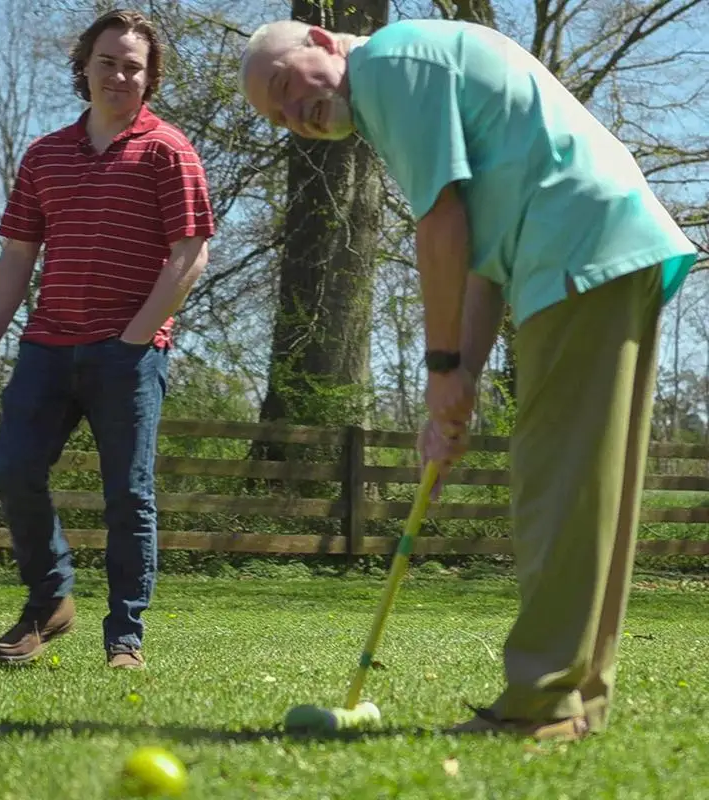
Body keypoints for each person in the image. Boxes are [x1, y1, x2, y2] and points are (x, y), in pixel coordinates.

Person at [238, 19, 697, 739]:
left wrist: (440, 367)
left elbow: (441, 225)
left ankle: (541, 702)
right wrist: (460, 384)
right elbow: (480, 258)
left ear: (323, 41)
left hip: (577, 250)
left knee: (556, 481)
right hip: (603, 242)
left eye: (284, 86)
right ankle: (574, 700)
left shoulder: (390, 66)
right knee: (588, 486)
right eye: (278, 117)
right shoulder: (414, 71)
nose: (295, 116)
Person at [0, 9, 215, 669]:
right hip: (46, 345)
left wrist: (134, 339)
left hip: (127, 353)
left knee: (127, 494)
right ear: (85, 67)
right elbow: (17, 254)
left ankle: (124, 637)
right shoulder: (45, 154)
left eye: (134, 66)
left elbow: (191, 253)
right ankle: (50, 601)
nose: (120, 75)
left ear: (150, 78)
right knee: (14, 468)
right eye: (108, 62)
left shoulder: (168, 149)